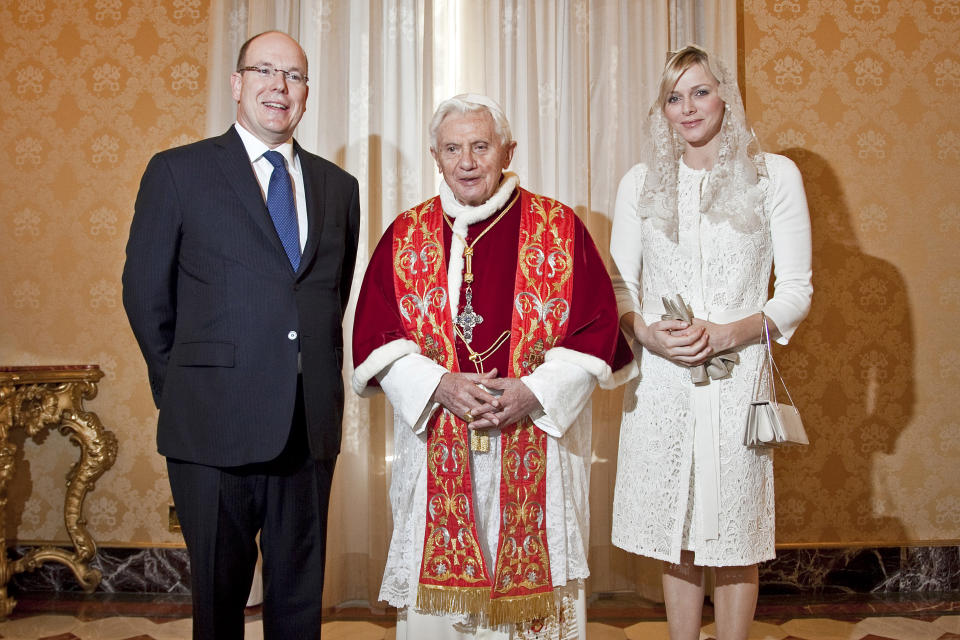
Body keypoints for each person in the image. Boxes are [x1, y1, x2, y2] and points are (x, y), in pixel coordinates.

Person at [352, 94, 635, 639]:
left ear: (507, 150)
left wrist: (534, 393)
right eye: (452, 148)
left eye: (480, 146)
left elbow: (595, 331)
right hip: (438, 437)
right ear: (435, 156)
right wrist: (439, 384)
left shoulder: (558, 227)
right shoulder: (405, 236)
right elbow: (376, 340)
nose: (467, 162)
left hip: (537, 442)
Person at [122, 31, 360, 639]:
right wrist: (184, 389)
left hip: (307, 432)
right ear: (237, 84)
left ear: (307, 94)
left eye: (295, 76)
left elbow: (328, 298)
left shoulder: (340, 188)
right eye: (265, 70)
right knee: (219, 606)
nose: (279, 86)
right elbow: (146, 296)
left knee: (299, 607)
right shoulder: (178, 171)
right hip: (211, 430)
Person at [609, 46, 812, 639]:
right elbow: (619, 286)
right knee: (677, 527)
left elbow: (796, 292)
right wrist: (646, 333)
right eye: (675, 96)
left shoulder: (774, 175)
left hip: (738, 374)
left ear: (726, 95)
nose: (688, 107)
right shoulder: (640, 183)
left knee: (733, 531)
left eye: (700, 91)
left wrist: (731, 331)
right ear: (662, 110)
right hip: (665, 377)